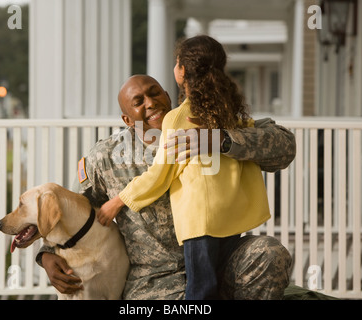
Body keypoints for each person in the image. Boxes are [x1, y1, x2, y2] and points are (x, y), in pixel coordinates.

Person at [37, 74, 295, 300]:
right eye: (138, 102)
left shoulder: (208, 125)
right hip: (157, 280)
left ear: (168, 96)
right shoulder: (106, 157)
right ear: (127, 119)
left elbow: (284, 146)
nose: (150, 103)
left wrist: (219, 140)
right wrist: (47, 255)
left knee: (269, 254)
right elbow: (70, 209)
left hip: (220, 259)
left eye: (154, 93)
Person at [98, 35, 271, 300]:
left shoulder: (178, 118)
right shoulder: (231, 112)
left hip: (199, 222)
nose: (151, 102)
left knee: (200, 293)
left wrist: (118, 201)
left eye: (177, 61)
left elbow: (159, 176)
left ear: (182, 73)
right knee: (218, 288)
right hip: (230, 220)